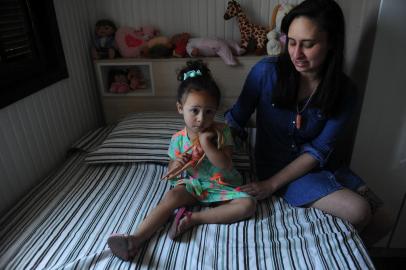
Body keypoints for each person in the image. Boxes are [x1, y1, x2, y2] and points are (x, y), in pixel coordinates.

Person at [225, 0, 392, 246]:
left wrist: (269, 186)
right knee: (358, 211)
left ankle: (343, 255)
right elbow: (235, 119)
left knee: (384, 221)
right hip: (279, 170)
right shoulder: (266, 72)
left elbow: (319, 151)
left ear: (331, 43)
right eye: (291, 42)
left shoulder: (345, 91)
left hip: (324, 165)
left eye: (308, 44)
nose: (296, 54)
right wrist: (213, 149)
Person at [107, 60, 256, 261]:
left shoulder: (222, 132)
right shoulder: (177, 140)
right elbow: (171, 173)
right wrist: (176, 165)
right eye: (194, 110)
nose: (201, 118)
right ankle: (135, 239)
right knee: (171, 197)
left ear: (216, 110)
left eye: (209, 111)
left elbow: (226, 164)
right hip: (195, 186)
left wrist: (207, 143)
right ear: (180, 108)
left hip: (223, 185)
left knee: (248, 205)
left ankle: (194, 218)